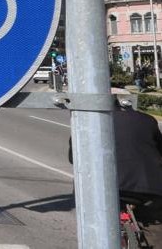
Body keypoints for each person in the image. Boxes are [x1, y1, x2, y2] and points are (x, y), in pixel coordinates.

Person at [69, 101, 162, 247]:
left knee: (94, 226)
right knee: (155, 227)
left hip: (100, 189)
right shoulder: (146, 120)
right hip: (148, 188)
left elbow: (73, 157)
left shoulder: (85, 122)